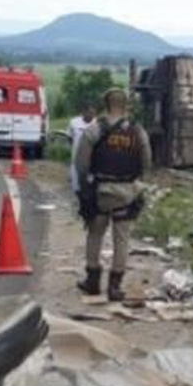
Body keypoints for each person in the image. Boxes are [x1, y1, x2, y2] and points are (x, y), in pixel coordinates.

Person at [74, 88, 152, 303]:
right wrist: (138, 183)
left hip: (100, 191)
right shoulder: (137, 131)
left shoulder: (94, 129)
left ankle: (92, 280)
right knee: (122, 239)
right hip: (127, 191)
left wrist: (84, 188)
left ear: (105, 104)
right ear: (126, 105)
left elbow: (81, 164)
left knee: (95, 234)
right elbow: (147, 162)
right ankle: (115, 288)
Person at [68, 104, 97, 196]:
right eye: (90, 113)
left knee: (90, 185)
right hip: (76, 159)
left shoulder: (97, 124)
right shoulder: (74, 122)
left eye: (94, 113)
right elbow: (70, 138)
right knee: (77, 188)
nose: (92, 116)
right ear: (84, 112)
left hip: (92, 161)